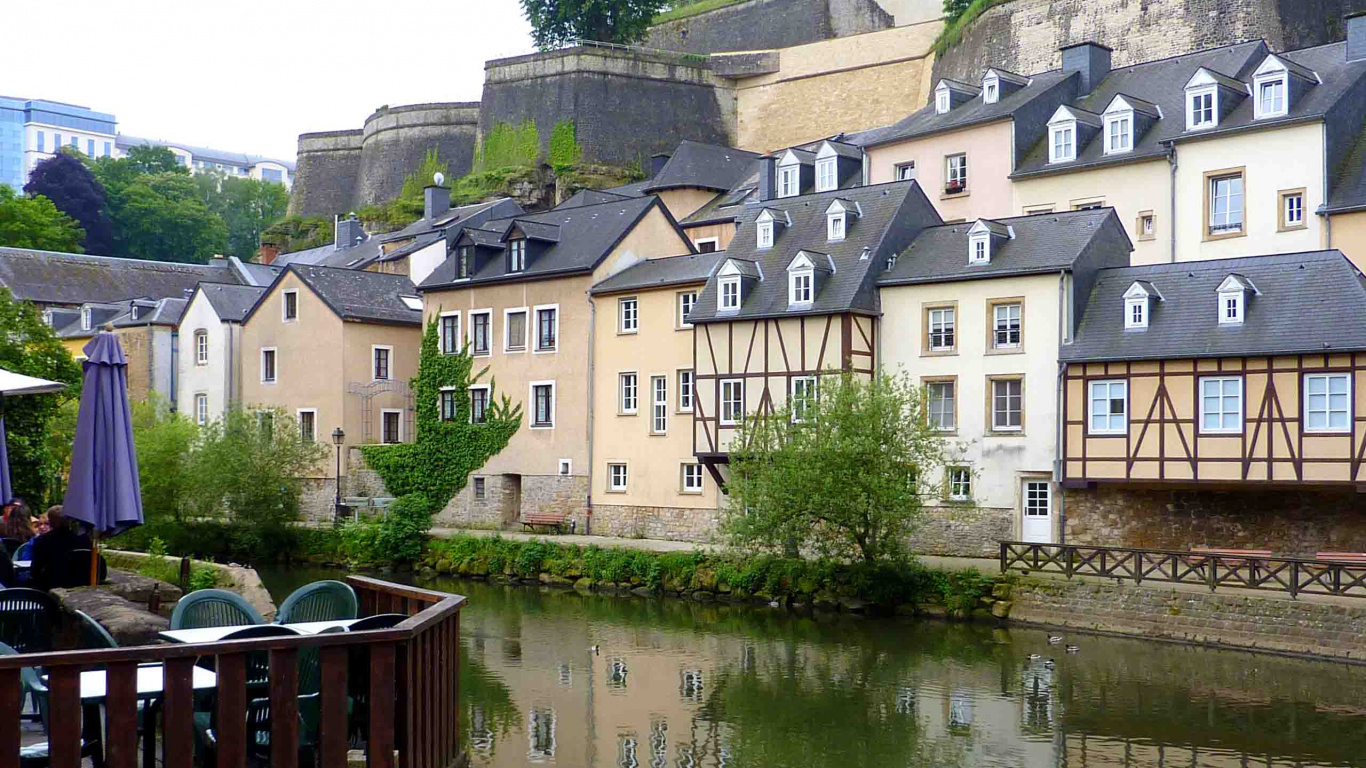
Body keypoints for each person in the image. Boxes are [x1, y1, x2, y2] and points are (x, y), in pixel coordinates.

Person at [29, 506, 92, 591]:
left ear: (50, 521)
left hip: (50, 585)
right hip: (80, 583)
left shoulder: (42, 541)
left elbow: (35, 570)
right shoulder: (83, 540)